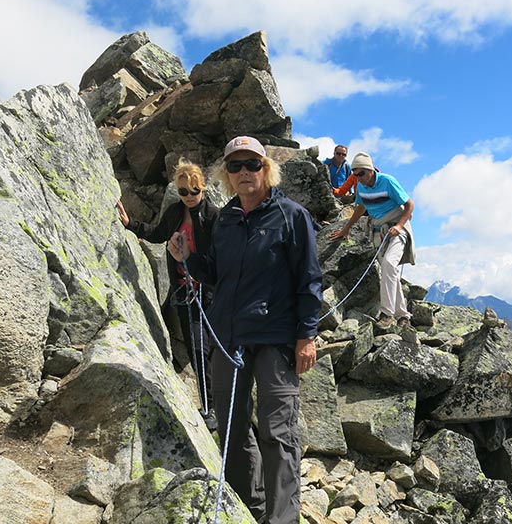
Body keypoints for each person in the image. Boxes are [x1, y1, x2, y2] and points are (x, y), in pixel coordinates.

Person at [167, 135, 322, 524]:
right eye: (235, 166)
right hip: (229, 337)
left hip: (276, 339)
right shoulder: (227, 220)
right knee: (232, 430)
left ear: (266, 169)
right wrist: (186, 258)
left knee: (277, 431)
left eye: (252, 164)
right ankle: (247, 509)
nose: (244, 173)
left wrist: (307, 336)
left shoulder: (291, 215)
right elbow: (215, 275)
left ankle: (282, 518)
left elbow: (310, 279)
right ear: (226, 175)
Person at [117, 158, 219, 428]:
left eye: (194, 191)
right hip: (185, 292)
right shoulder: (175, 211)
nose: (189, 196)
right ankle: (210, 407)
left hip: (209, 293)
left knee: (211, 349)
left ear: (203, 188)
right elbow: (159, 233)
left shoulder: (214, 216)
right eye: (183, 191)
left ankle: (217, 406)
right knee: (198, 348)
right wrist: (131, 224)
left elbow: (221, 258)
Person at [330, 152, 415, 327]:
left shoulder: (387, 181)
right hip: (378, 231)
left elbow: (409, 205)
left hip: (397, 228)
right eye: (355, 174)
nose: (358, 178)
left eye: (361, 173)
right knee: (389, 272)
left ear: (370, 170)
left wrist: (399, 226)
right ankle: (403, 316)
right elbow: (361, 207)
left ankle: (386, 314)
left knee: (389, 265)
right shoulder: (361, 187)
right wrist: (346, 228)